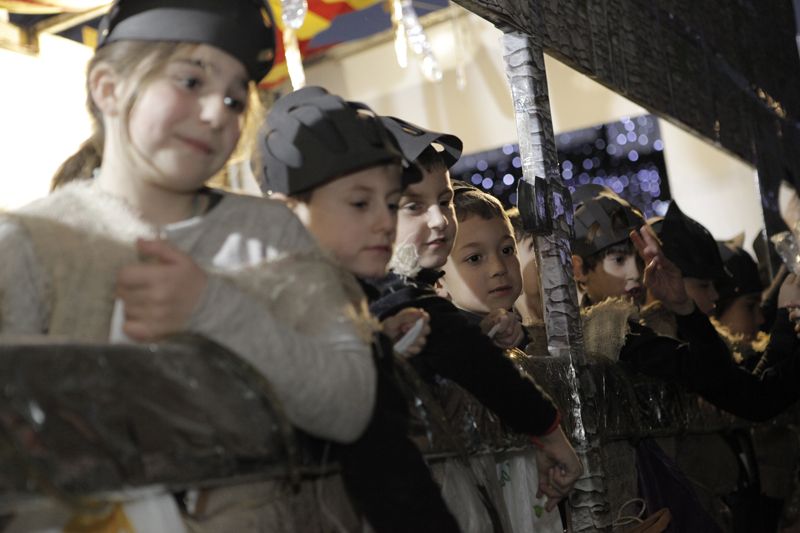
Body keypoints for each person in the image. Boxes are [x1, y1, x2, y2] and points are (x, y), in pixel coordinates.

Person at [0, 2, 375, 530]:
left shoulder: (271, 235)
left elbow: (349, 405)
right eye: (191, 81)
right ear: (108, 87)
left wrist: (210, 307)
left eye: (235, 98)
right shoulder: (33, 242)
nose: (218, 112)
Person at [257, 86, 460, 532]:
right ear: (286, 210)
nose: (383, 222)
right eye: (359, 203)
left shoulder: (358, 308)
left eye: (389, 203)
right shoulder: (272, 308)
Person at [370, 116, 583, 518]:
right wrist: (549, 433)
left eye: (444, 201)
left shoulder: (406, 292)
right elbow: (469, 358)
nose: (439, 220)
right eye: (414, 206)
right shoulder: (387, 295)